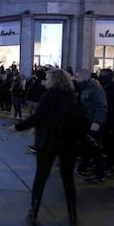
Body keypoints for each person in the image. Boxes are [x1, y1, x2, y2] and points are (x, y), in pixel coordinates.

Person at [8, 68, 87, 226]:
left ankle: (33, 211)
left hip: (48, 142)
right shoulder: (72, 96)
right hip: (68, 144)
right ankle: (72, 214)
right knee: (68, 180)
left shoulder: (49, 96)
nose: (46, 81)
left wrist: (18, 127)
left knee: (41, 178)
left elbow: (37, 117)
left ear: (55, 80)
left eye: (49, 79)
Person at [75, 68, 108, 182]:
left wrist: (97, 122)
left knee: (94, 147)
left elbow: (101, 107)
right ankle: (82, 169)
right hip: (88, 121)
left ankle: (100, 175)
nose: (76, 78)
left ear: (84, 77)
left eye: (77, 76)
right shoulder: (85, 88)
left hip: (94, 122)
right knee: (89, 147)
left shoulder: (94, 89)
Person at [98, 69, 114, 172]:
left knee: (110, 144)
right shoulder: (105, 87)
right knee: (106, 142)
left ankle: (110, 164)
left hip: (110, 120)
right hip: (106, 119)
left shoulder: (111, 89)